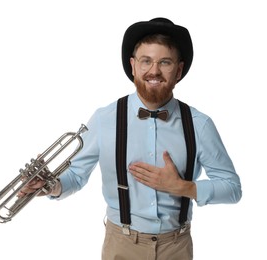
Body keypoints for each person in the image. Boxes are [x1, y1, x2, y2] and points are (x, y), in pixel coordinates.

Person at [19, 18, 242, 260]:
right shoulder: (105, 118)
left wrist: (182, 187)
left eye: (164, 62)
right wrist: (49, 185)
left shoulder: (199, 124)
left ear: (178, 70)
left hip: (176, 247)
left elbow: (232, 188)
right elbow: (75, 175)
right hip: (121, 245)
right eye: (146, 61)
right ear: (133, 66)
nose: (154, 71)